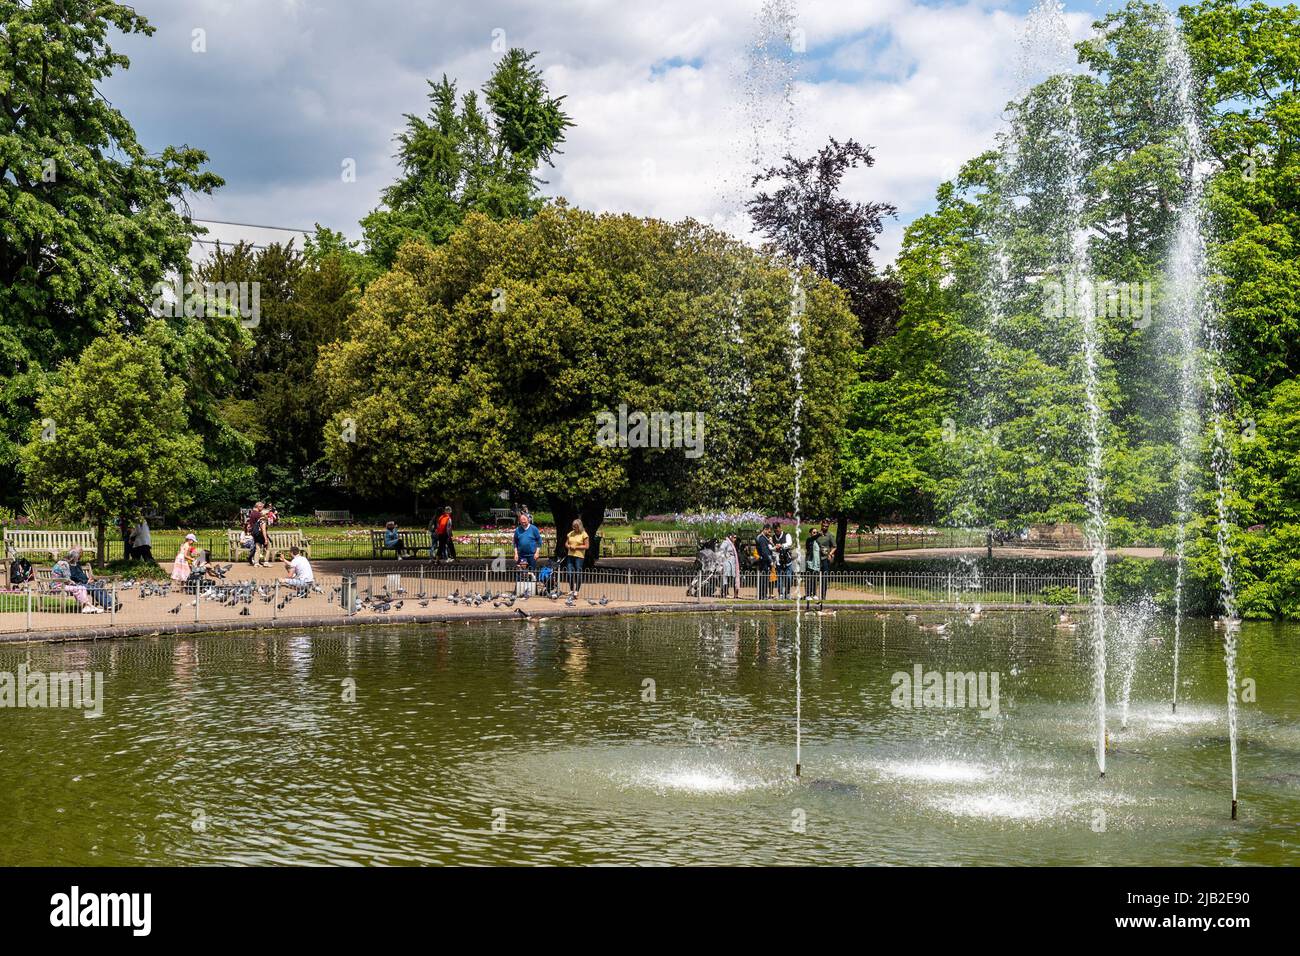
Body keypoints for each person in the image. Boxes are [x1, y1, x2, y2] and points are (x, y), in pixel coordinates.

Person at [563, 519, 588, 594]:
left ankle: (576, 590)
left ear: (579, 526)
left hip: (579, 556)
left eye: (575, 527)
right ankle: (571, 589)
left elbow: (586, 546)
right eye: (573, 526)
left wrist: (576, 547)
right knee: (569, 573)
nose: (574, 528)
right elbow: (566, 544)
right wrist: (569, 546)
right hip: (570, 555)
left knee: (578, 573)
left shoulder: (584, 534)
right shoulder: (570, 534)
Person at [805, 528, 826, 601]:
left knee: (814, 579)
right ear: (810, 533)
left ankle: (814, 594)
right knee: (809, 579)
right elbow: (813, 538)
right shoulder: (809, 540)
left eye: (816, 532)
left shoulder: (818, 542)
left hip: (816, 563)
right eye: (814, 532)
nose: (815, 533)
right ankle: (807, 595)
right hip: (810, 562)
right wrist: (819, 534)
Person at [719, 532, 741, 598]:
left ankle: (735, 594)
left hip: (733, 562)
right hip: (727, 562)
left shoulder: (733, 544)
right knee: (726, 577)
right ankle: (724, 593)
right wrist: (724, 558)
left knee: (735, 577)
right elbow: (721, 550)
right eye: (734, 537)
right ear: (730, 537)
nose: (735, 539)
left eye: (736, 537)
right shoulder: (726, 542)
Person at [755, 523, 774, 600]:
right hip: (764, 561)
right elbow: (764, 551)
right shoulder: (762, 538)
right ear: (765, 529)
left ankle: (763, 595)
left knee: (765, 578)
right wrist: (770, 561)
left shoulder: (764, 538)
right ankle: (762, 595)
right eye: (769, 531)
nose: (770, 533)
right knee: (764, 579)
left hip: (764, 560)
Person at [245, 501, 267, 567]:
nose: (262, 508)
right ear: (258, 506)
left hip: (254, 532)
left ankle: (253, 559)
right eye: (262, 507)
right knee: (259, 547)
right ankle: (257, 561)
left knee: (256, 547)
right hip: (259, 532)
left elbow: (250, 524)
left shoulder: (252, 513)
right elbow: (262, 525)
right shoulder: (258, 514)